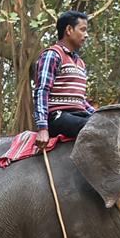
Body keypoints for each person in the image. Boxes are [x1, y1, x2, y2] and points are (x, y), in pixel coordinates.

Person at [33, 10, 95, 149]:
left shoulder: (80, 63)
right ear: (68, 30)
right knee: (98, 129)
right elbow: (42, 90)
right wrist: (42, 128)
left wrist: (99, 114)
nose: (86, 35)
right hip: (58, 116)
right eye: (83, 30)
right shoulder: (52, 55)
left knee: (110, 124)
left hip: (78, 116)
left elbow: (80, 100)